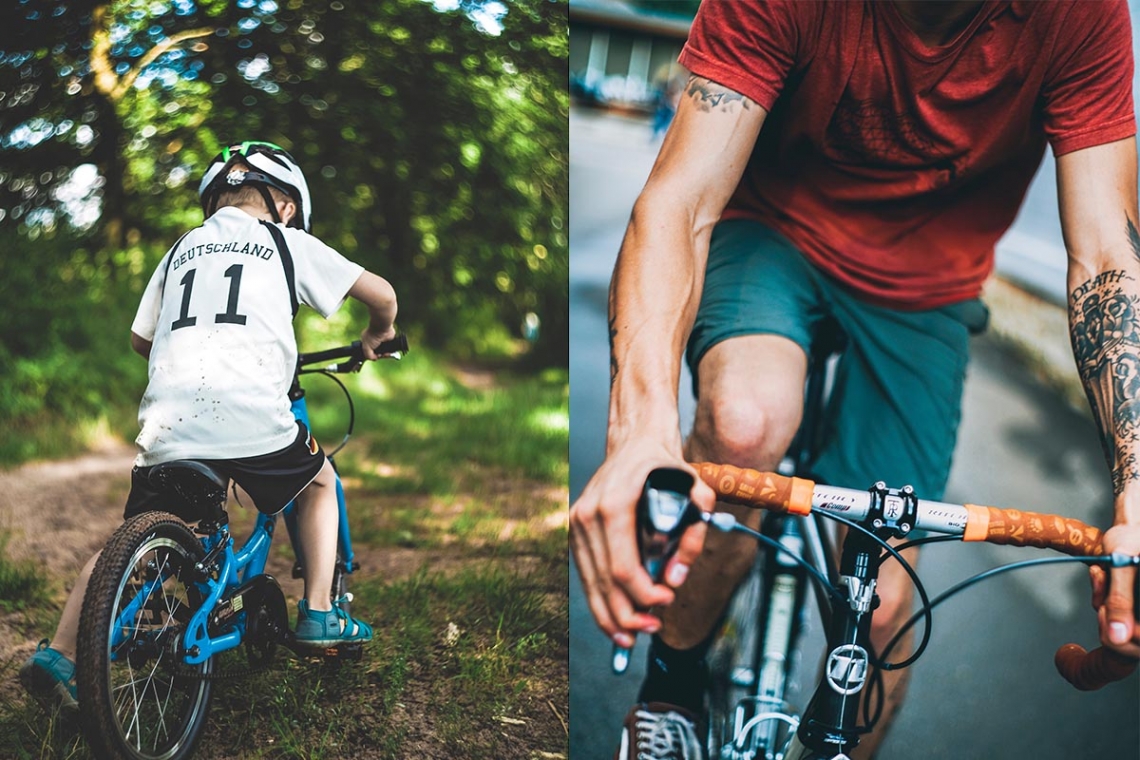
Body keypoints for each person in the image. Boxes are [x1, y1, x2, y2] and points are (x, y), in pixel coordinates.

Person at [569, 2, 1140, 758]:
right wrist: (641, 433)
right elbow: (678, 200)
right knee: (744, 422)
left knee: (884, 607)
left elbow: (1105, 252)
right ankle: (672, 688)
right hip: (771, 230)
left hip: (926, 289)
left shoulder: (1081, 16)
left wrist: (1136, 481)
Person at [20, 140, 399, 714]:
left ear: (214, 200)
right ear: (287, 206)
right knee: (320, 483)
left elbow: (140, 339)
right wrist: (377, 334)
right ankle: (320, 611)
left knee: (147, 527)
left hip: (170, 422)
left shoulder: (179, 250)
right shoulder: (284, 240)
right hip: (251, 415)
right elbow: (384, 295)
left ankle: (63, 656)